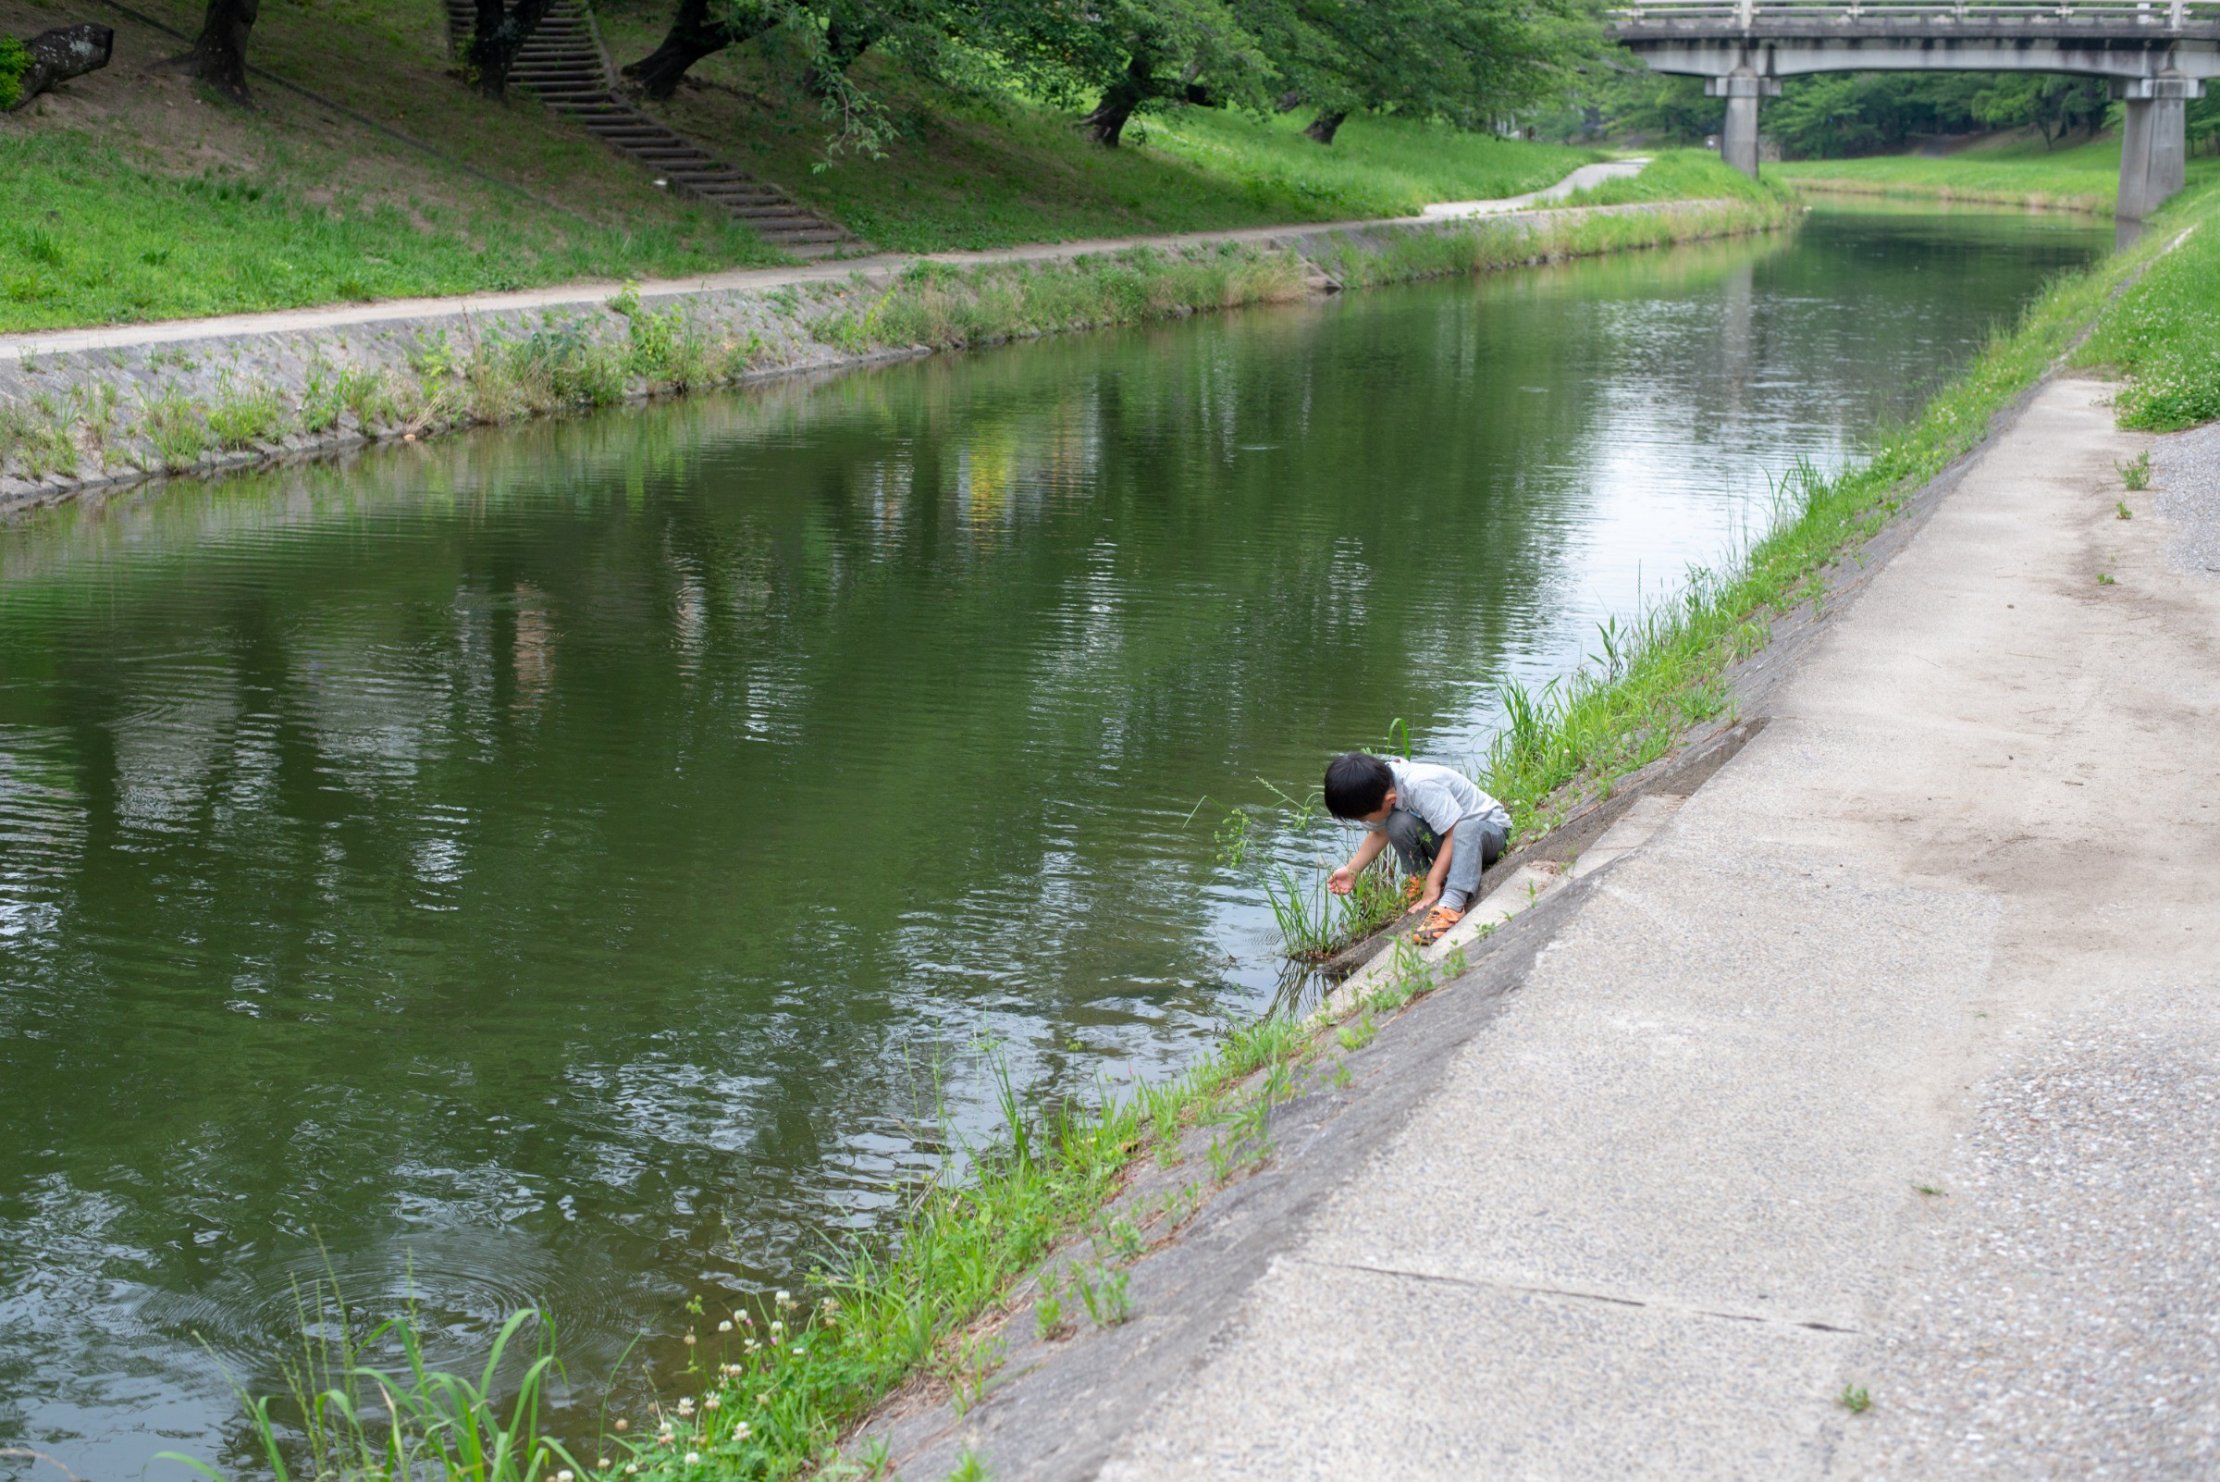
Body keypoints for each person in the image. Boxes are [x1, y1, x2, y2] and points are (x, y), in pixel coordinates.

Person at [1323, 752, 1511, 947]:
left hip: (1487, 835)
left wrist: (1434, 881)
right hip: (1453, 842)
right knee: (1396, 823)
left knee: (1465, 827)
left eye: (1363, 818)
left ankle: (1452, 903)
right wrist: (1352, 870)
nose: (1364, 823)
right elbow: (1380, 834)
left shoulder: (1420, 785)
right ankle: (1420, 879)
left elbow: (1453, 833)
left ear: (1390, 799)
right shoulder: (1380, 788)